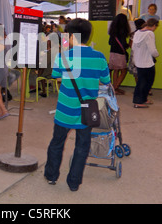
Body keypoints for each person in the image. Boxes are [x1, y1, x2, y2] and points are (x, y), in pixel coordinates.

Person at [44, 18, 111, 192]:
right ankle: (74, 182)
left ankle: (51, 176)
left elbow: (57, 76)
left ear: (72, 36)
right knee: (82, 145)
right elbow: (105, 80)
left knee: (57, 142)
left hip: (65, 109)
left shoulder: (63, 56)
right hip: (88, 110)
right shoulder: (99, 57)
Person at [132, 19, 160, 108]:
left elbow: (133, 47)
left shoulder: (137, 33)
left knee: (141, 82)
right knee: (147, 82)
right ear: (154, 25)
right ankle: (138, 101)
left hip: (138, 61)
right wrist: (157, 54)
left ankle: (143, 99)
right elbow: (152, 50)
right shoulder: (150, 34)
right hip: (147, 63)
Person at [108, 13, 131, 95]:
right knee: (124, 71)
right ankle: (114, 88)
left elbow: (110, 42)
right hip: (120, 54)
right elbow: (124, 45)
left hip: (112, 53)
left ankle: (115, 87)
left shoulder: (112, 31)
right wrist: (128, 45)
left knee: (116, 70)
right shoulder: (123, 32)